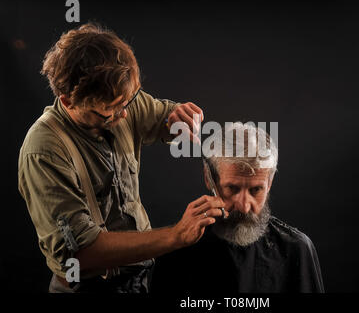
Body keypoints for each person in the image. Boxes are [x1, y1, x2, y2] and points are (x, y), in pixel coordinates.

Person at [17, 23, 229, 293]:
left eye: (127, 102)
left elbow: (161, 115)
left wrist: (178, 117)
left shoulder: (121, 102)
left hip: (138, 281)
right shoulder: (44, 150)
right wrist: (176, 235)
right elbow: (81, 253)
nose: (125, 116)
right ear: (69, 101)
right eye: (110, 111)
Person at [150, 123, 325, 293]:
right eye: (232, 188)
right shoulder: (176, 249)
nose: (243, 206)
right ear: (209, 178)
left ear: (269, 183)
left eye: (256, 190)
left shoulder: (296, 249)